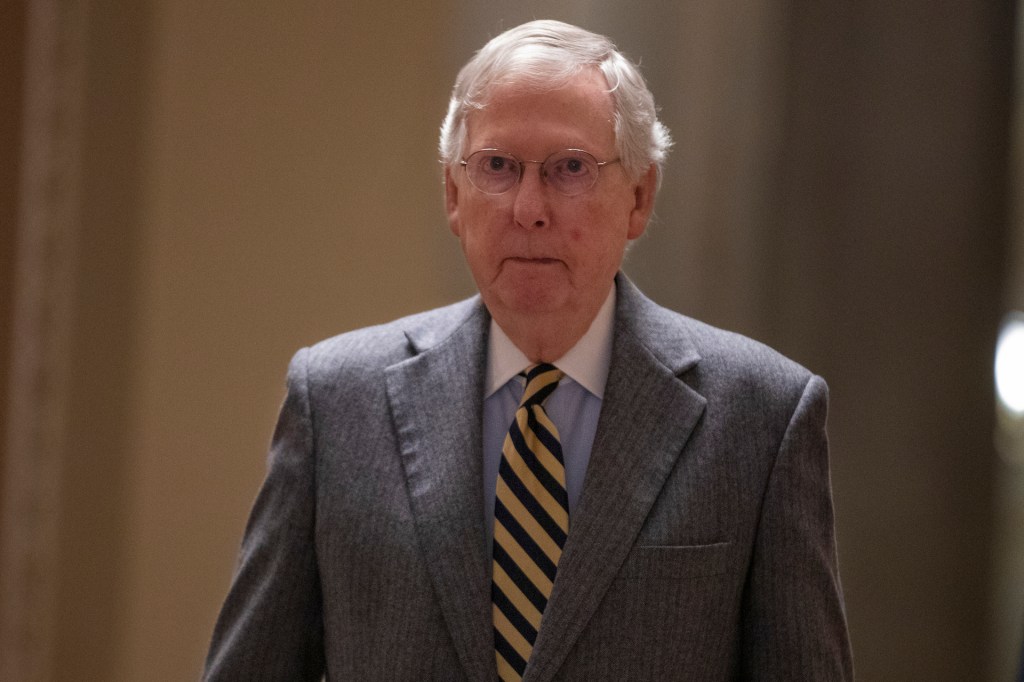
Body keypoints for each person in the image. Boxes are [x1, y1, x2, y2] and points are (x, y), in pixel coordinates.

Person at [203, 19, 853, 681]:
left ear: (640, 196)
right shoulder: (336, 402)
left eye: (570, 168)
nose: (529, 208)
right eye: (497, 167)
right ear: (453, 195)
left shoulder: (761, 417)